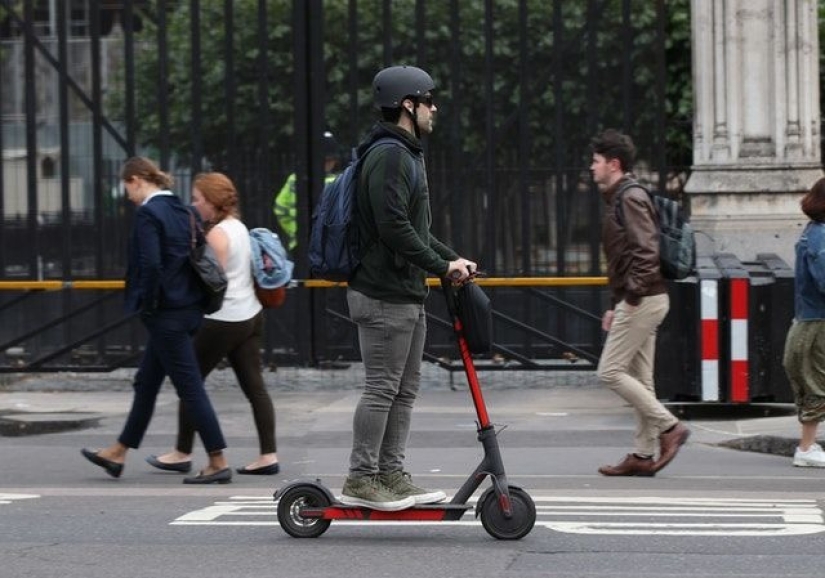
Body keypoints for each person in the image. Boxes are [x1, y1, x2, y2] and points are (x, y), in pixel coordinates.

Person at [340, 65, 477, 511]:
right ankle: (363, 478)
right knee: (382, 387)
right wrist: (441, 264)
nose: (434, 109)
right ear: (408, 105)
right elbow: (393, 227)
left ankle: (392, 475)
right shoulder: (391, 155)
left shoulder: (405, 152)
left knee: (403, 389)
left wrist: (450, 259)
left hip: (403, 291)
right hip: (382, 294)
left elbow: (416, 228)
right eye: (428, 101)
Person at [81, 157, 231, 484]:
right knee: (146, 382)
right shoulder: (182, 210)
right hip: (190, 309)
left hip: (166, 315)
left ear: (136, 180)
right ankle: (118, 452)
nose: (128, 196)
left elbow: (150, 265)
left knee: (190, 387)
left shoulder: (149, 214)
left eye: (127, 188)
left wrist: (148, 307)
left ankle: (218, 459)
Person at [146, 172, 280, 477]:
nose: (194, 205)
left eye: (197, 199)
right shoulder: (240, 228)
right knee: (255, 388)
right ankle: (268, 455)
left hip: (222, 320)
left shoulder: (218, 234)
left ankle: (182, 452)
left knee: (189, 382)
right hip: (250, 316)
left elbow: (211, 280)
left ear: (212, 202)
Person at [590, 129, 690, 477]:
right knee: (641, 379)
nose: (592, 168)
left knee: (610, 371)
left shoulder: (629, 197)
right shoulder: (621, 197)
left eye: (597, 161)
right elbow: (625, 258)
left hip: (644, 298)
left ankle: (670, 427)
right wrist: (614, 302)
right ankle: (643, 455)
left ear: (613, 164)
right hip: (642, 297)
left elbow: (646, 252)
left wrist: (629, 299)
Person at [783, 177, 825, 468]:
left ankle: (807, 446)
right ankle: (807, 448)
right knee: (817, 383)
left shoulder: (812, 233)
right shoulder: (820, 237)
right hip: (816, 324)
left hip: (807, 321)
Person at [273, 130, 340, 252]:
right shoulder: (337, 182)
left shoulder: (295, 179)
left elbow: (280, 208)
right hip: (328, 245)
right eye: (329, 159)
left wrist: (294, 230)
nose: (330, 163)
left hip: (300, 243)